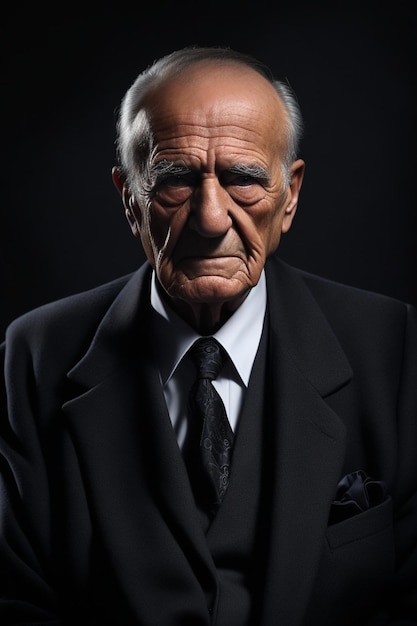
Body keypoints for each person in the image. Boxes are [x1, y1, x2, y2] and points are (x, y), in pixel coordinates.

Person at [0, 45, 416, 626]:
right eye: (174, 181)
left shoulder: (393, 347)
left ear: (290, 195)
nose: (211, 217)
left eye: (244, 179)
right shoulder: (31, 358)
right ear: (129, 198)